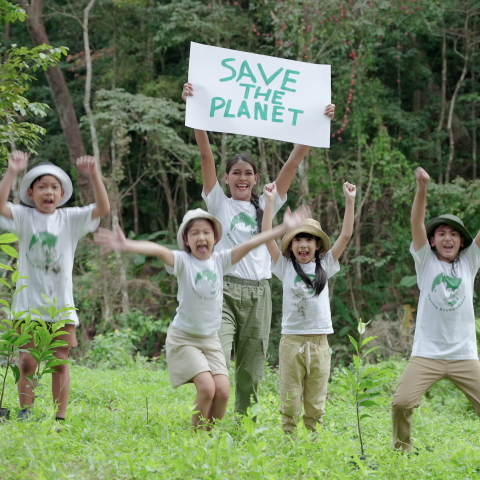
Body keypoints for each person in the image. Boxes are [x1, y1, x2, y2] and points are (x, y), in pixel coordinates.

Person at [182, 81, 335, 414]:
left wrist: (317, 123)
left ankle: (241, 425)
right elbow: (205, 154)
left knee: (250, 371)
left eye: (248, 173)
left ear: (254, 179)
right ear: (226, 178)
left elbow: (292, 164)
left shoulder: (266, 207)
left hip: (259, 294)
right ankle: (208, 424)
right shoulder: (217, 203)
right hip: (222, 290)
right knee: (217, 360)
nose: (242, 177)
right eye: (235, 172)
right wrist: (195, 111)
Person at [94, 206, 309, 429]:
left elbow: (251, 243)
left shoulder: (220, 261)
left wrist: (284, 228)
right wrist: (127, 245)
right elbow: (157, 250)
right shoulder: (182, 261)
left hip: (210, 340)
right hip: (184, 338)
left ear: (215, 238)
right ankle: (198, 440)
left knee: (223, 391)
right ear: (186, 240)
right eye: (194, 233)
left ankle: (209, 435)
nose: (201, 237)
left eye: (206, 232)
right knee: (207, 388)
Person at [392, 167, 480, 463]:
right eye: (441, 233)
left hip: (464, 354)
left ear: (462, 242)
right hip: (427, 353)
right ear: (431, 241)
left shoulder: (469, 262)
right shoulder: (425, 261)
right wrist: (422, 187)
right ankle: (401, 456)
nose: (447, 238)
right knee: (401, 403)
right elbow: (416, 221)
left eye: (453, 234)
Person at [0, 150, 110, 421]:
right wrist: (12, 171)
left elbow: (102, 208)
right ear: (31, 193)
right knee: (27, 361)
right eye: (42, 187)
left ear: (61, 194)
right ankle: (25, 410)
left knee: (59, 361)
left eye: (54, 187)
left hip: (60, 306)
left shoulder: (70, 219)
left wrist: (94, 175)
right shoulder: (23, 217)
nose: (48, 192)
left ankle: (60, 416)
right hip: (27, 305)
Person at [261, 182, 356, 433]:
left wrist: (349, 200)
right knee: (290, 400)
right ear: (291, 245)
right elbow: (267, 234)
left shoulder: (326, 264)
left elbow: (345, 235)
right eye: (297, 239)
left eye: (308, 240)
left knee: (315, 403)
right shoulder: (284, 266)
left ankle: (314, 444)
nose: (303, 244)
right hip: (292, 342)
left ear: (317, 245)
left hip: (320, 343)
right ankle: (289, 443)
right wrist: (270, 202)